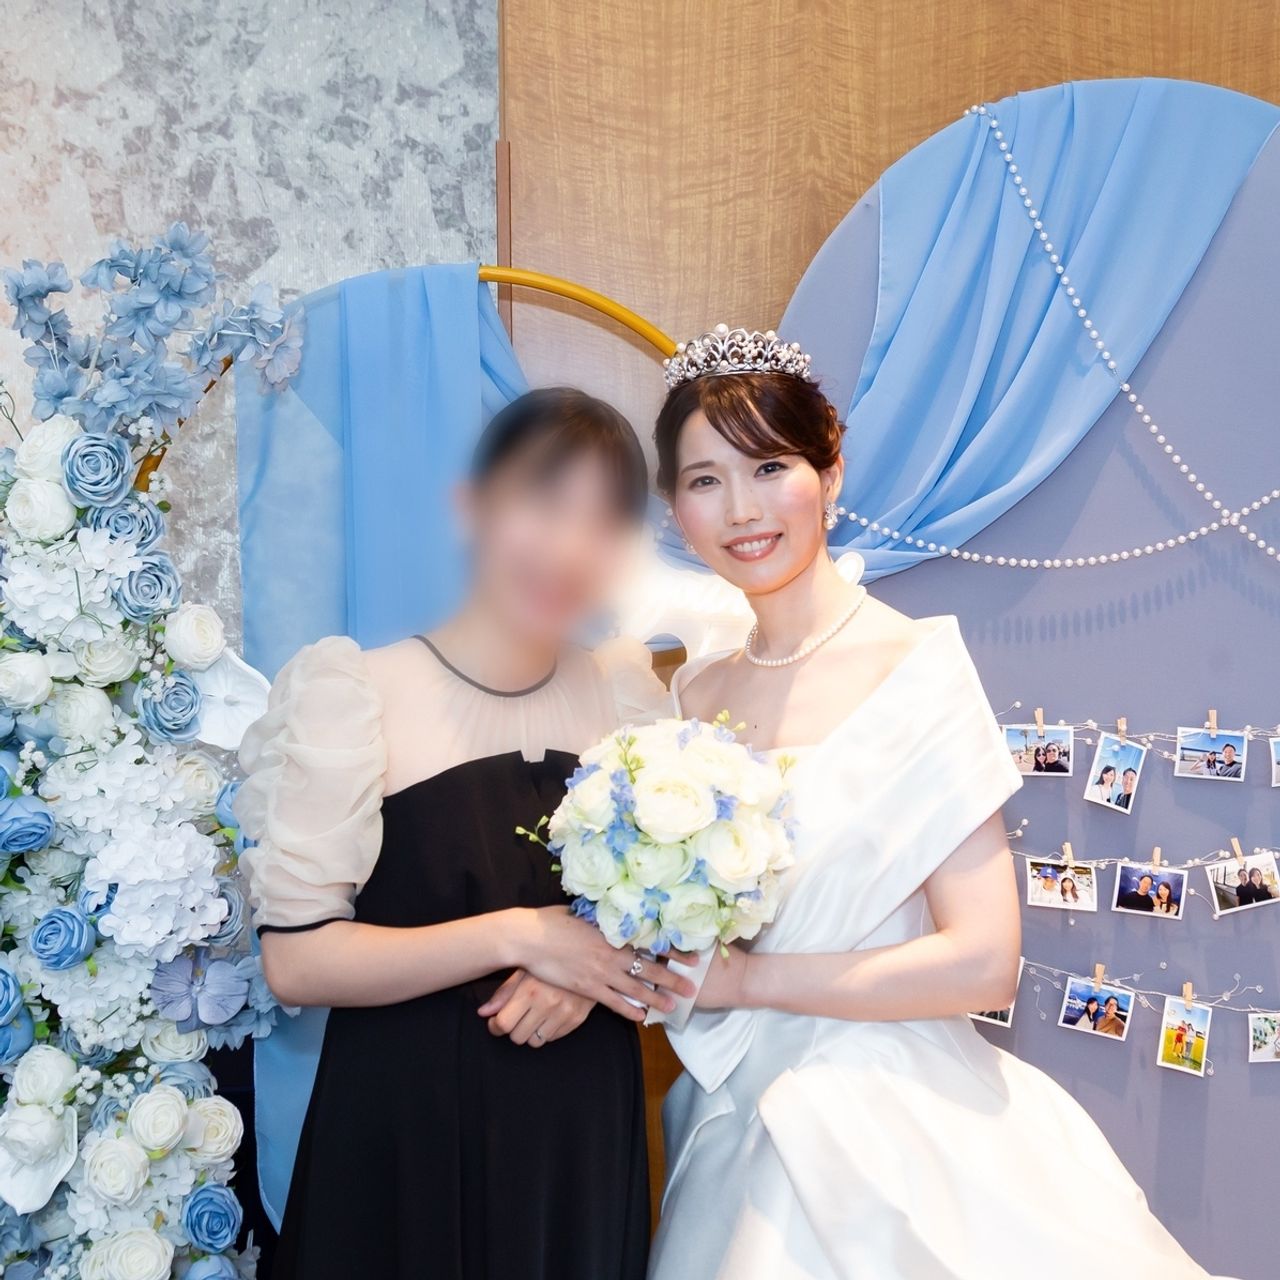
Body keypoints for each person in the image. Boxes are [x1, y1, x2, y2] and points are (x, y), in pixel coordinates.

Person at [646, 328, 1218, 1279]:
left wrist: (748, 983)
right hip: (728, 1105)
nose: (741, 509)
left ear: (830, 474)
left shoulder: (914, 671)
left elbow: (985, 963)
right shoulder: (691, 697)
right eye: (706, 480)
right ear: (675, 505)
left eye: (770, 467)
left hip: (882, 1110)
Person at [236, 388, 693, 1280]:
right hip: (407, 1133)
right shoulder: (355, 691)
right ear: (471, 505)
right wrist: (521, 936)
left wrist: (595, 967)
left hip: (578, 1134)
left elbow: (680, 924)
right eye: (544, 503)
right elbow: (296, 961)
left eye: (604, 521)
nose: (570, 547)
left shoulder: (626, 695)